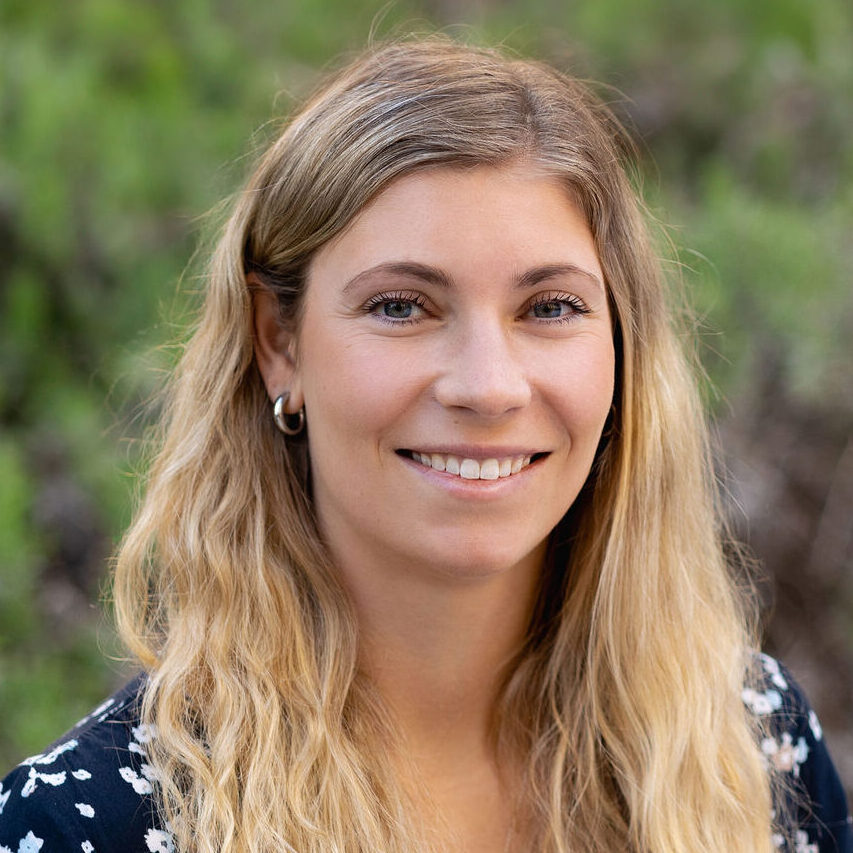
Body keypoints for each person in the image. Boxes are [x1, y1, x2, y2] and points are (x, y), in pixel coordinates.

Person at [0, 36, 849, 853]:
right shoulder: (89, 824)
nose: (487, 385)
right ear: (277, 341)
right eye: (402, 306)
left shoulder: (751, 747)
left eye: (549, 307)